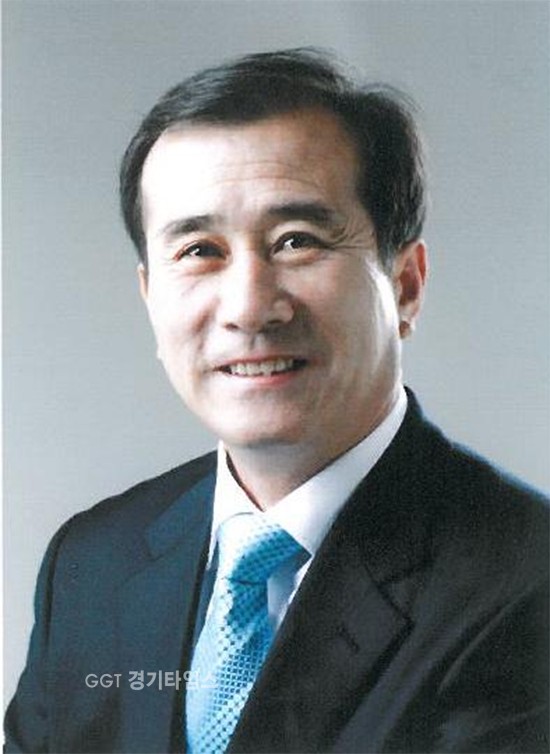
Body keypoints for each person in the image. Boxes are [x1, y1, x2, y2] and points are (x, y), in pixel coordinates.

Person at [5, 48, 548, 754]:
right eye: (199, 251)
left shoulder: (526, 580)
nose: (249, 307)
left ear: (405, 285)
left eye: (297, 241)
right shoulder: (92, 563)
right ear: (149, 297)